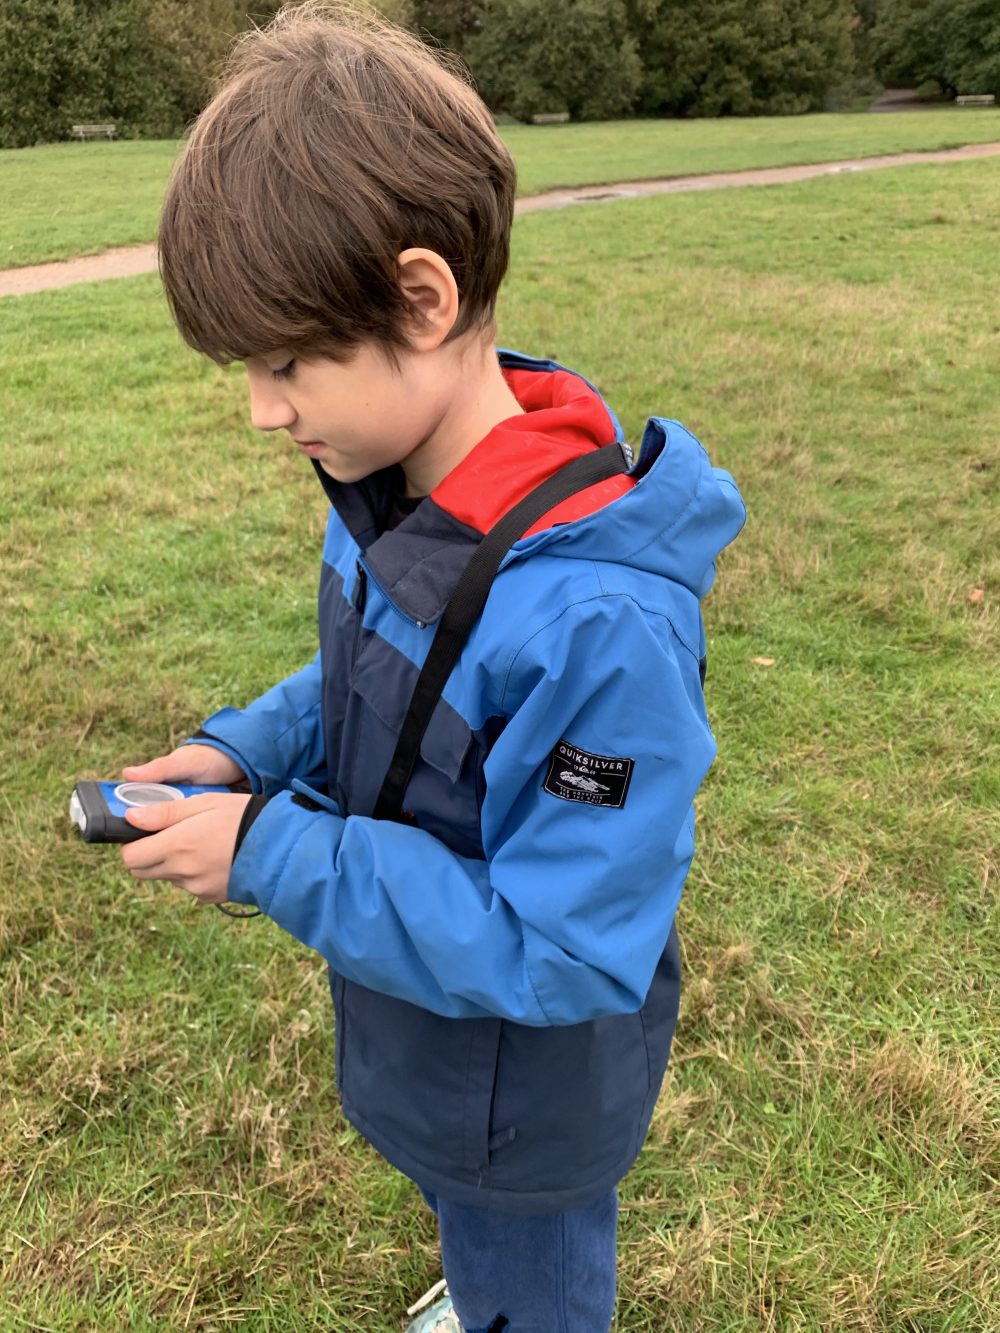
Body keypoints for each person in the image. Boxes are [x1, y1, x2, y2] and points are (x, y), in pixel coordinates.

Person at [119, 5, 745, 1330]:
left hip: (528, 1105)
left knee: (526, 1270)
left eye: (287, 364)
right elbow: (370, 670)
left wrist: (270, 851)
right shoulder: (405, 486)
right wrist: (250, 751)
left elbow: (562, 943)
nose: (262, 410)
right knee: (474, 1231)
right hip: (442, 1053)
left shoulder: (595, 626)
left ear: (421, 299)